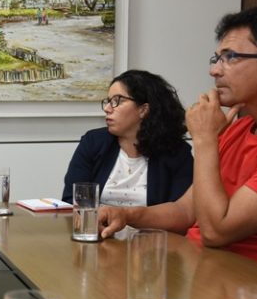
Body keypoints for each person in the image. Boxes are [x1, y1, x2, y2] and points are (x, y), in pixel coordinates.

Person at [99, 7, 257, 275]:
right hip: (205, 274)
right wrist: (127, 215)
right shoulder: (242, 129)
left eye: (230, 58)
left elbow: (216, 230)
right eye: (216, 58)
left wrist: (204, 139)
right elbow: (185, 210)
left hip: (255, 293)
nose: (214, 70)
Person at [62, 70, 193, 207]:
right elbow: (72, 200)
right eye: (108, 101)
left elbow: (180, 214)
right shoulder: (93, 142)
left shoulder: (177, 152)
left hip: (151, 229)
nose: (107, 108)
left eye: (117, 101)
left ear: (143, 109)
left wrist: (128, 217)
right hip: (97, 228)